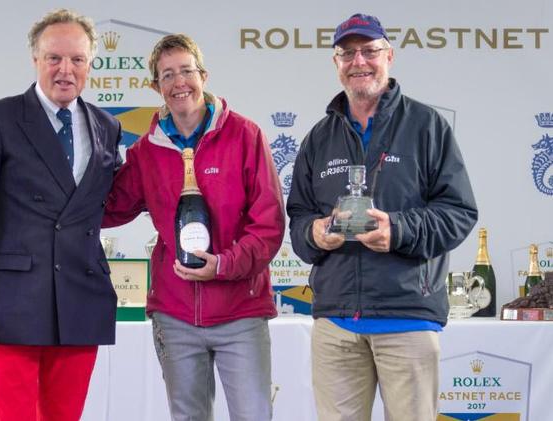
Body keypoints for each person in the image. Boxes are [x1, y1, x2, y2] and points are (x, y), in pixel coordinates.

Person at [286, 13, 478, 421]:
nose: (360, 61)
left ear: (388, 56)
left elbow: (459, 212)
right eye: (348, 53)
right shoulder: (319, 137)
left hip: (406, 318)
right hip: (335, 323)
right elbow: (299, 218)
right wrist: (316, 233)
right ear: (336, 63)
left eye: (370, 51)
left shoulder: (427, 126)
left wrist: (399, 231)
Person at [0, 9, 121, 421]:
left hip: (79, 303)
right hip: (9, 306)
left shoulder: (107, 126)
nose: (65, 69)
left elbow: (99, 204)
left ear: (90, 65)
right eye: (53, 58)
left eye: (76, 59)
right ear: (35, 60)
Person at [102, 34, 284, 421]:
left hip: (241, 312)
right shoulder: (145, 151)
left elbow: (268, 224)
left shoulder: (245, 135)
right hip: (176, 314)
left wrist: (225, 264)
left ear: (203, 75)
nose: (179, 82)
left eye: (186, 71)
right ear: (156, 87)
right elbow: (111, 209)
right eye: (167, 75)